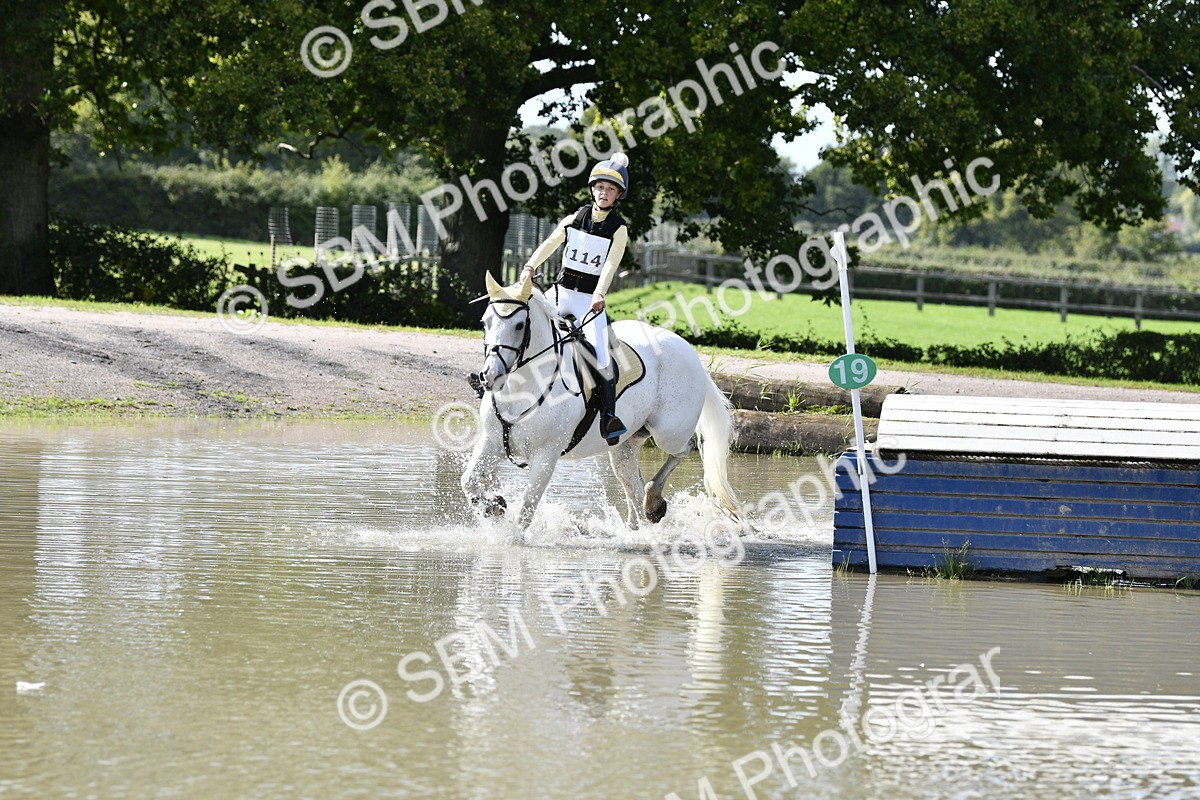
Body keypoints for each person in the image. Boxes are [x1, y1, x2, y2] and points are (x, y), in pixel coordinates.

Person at [521, 152, 632, 443]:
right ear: (592, 189)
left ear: (618, 195)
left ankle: (609, 417)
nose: (603, 193)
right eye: (600, 187)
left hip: (587, 299)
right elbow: (551, 242)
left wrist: (600, 292)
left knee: (601, 354)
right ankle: (493, 381)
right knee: (523, 321)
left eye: (610, 190)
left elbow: (610, 264)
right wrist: (531, 265)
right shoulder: (575, 218)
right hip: (561, 291)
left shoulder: (618, 229)